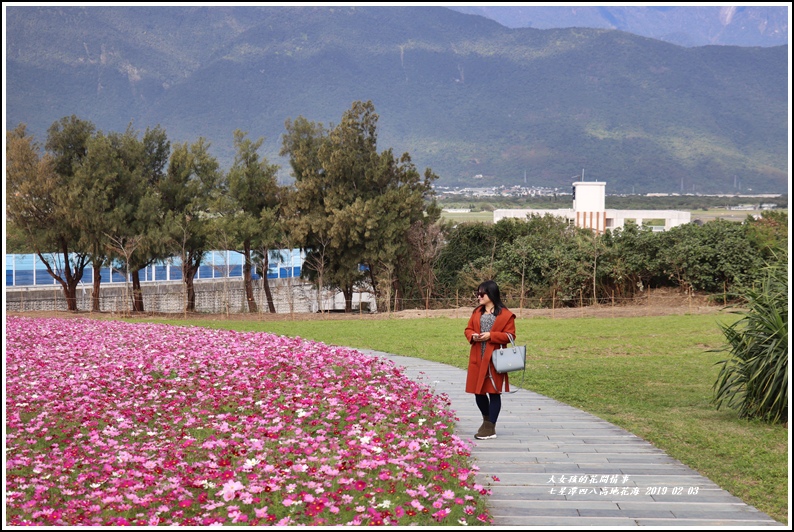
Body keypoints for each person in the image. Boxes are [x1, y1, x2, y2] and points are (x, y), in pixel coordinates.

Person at [464, 279, 516, 440]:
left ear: (491, 293)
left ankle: (490, 426)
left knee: (493, 392)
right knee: (477, 392)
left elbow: (510, 336)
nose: (479, 296)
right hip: (477, 356)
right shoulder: (477, 312)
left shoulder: (506, 315)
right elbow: (468, 329)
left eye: (482, 293)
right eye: (477, 293)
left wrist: (491, 336)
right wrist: (472, 335)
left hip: (494, 358)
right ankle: (486, 421)